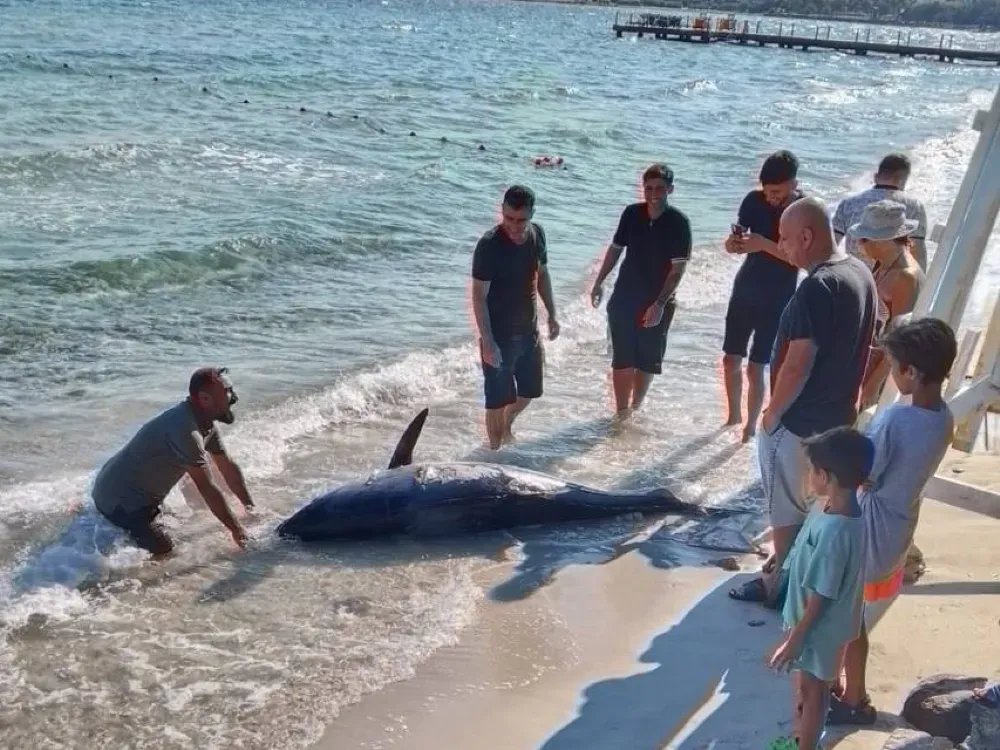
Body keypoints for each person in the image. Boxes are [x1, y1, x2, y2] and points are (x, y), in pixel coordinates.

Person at [729, 197, 877, 606]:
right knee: (816, 505)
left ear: (807, 237)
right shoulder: (859, 272)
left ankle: (779, 586)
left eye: (786, 239)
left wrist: (771, 413)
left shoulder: (816, 286)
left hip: (800, 422)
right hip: (837, 416)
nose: (783, 246)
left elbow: (799, 361)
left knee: (786, 509)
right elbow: (863, 344)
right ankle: (794, 573)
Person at [828, 318, 957, 726]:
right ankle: (844, 685)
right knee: (853, 612)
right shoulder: (944, 416)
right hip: (900, 525)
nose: (891, 371)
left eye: (894, 364)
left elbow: (865, 472)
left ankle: (853, 697)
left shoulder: (898, 420)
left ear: (911, 373)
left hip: (872, 524)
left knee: (846, 613)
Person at [768, 425, 871, 750]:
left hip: (818, 627)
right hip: (814, 623)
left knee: (814, 691)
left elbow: (823, 594)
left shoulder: (837, 532)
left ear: (826, 477)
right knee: (807, 684)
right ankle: (802, 737)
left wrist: (797, 638)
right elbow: (807, 546)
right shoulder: (838, 509)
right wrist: (783, 561)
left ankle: (807, 745)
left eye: (812, 470)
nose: (809, 475)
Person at [91, 367, 254, 559]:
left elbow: (226, 466)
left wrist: (249, 507)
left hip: (120, 486)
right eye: (227, 392)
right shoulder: (186, 429)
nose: (233, 397)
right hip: (121, 501)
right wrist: (238, 532)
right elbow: (207, 486)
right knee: (167, 552)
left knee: (178, 523)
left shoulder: (205, 423)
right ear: (205, 399)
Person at [589, 164, 692, 417]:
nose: (654, 193)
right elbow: (615, 249)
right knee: (622, 358)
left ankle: (636, 406)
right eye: (648, 188)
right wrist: (599, 281)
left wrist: (658, 304)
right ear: (642, 189)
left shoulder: (679, 223)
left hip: (658, 300)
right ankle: (621, 413)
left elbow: (677, 271)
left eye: (659, 188)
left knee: (647, 361)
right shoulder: (632, 214)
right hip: (624, 295)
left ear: (670, 189)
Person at [723, 150, 803, 443]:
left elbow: (800, 260)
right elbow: (739, 242)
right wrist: (734, 245)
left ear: (793, 184)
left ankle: (750, 429)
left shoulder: (804, 210)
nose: (771, 197)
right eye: (768, 191)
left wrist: (762, 244)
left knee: (757, 366)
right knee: (731, 359)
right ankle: (732, 418)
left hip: (780, 295)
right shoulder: (752, 201)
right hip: (746, 287)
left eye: (777, 192)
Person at [471, 185, 559, 449]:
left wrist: (552, 315)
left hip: (529, 331)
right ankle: (494, 453)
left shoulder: (537, 234)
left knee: (531, 390)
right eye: (509, 218)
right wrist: (488, 341)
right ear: (502, 211)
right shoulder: (489, 246)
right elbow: (478, 296)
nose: (514, 226)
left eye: (521, 220)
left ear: (532, 213)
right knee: (497, 400)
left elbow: (542, 275)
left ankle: (508, 422)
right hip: (499, 335)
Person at [849, 200, 926, 409]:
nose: (859, 245)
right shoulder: (883, 263)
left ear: (884, 240)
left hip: (881, 368)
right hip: (865, 358)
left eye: (864, 239)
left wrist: (873, 384)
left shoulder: (905, 277)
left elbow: (901, 339)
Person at [832, 153, 929, 271]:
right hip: (892, 281)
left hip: (854, 276)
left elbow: (830, 247)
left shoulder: (848, 204)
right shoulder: (914, 206)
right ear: (902, 180)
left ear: (876, 177)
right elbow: (918, 255)